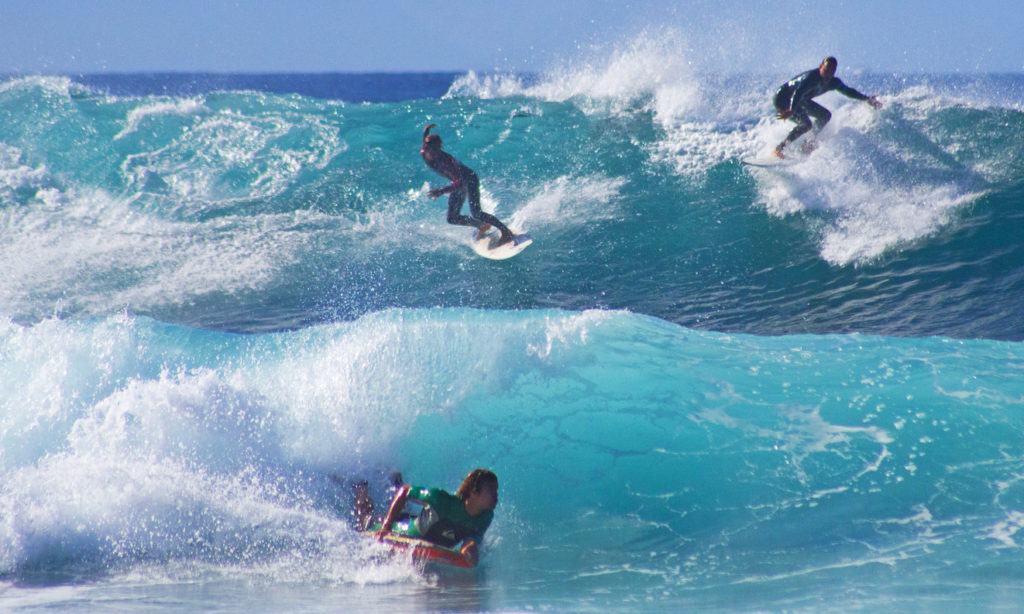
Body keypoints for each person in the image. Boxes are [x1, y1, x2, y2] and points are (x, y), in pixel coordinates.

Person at [369, 468, 498, 567]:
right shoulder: (441, 499)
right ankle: (362, 484)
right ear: (475, 493)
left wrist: (468, 555)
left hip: (423, 523)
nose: (496, 496)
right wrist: (386, 526)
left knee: (410, 515)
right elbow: (405, 491)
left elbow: (471, 540)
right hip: (404, 531)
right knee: (368, 521)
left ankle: (396, 484)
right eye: (491, 490)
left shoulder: (485, 517)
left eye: (496, 490)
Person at [420, 124, 516, 247]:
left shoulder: (446, 162)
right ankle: (482, 226)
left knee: (476, 212)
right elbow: (425, 140)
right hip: (457, 182)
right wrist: (426, 130)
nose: (437, 152)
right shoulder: (424, 152)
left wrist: (441, 191)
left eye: (438, 148)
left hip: (469, 180)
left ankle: (505, 231)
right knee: (452, 218)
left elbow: (460, 182)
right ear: (427, 148)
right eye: (433, 149)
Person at [772, 56, 882, 158]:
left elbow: (848, 91)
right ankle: (779, 149)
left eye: (831, 72)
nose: (828, 75)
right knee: (806, 124)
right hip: (783, 99)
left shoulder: (833, 82)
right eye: (825, 70)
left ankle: (807, 143)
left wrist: (866, 99)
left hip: (801, 101)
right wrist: (791, 109)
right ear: (820, 67)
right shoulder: (811, 78)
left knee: (825, 115)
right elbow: (798, 92)